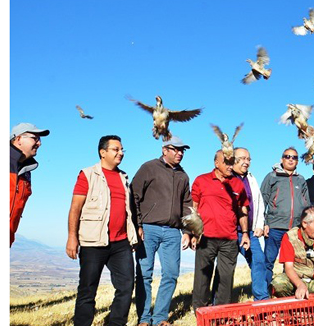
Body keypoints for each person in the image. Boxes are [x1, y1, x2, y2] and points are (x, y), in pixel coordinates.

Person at [66, 135, 138, 326]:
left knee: (126, 287)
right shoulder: (87, 174)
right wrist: (72, 237)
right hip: (93, 243)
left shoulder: (124, 177)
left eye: (122, 150)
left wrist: (134, 232)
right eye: (116, 149)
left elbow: (129, 210)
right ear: (103, 152)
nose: (120, 153)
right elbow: (75, 208)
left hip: (121, 243)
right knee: (87, 290)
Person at [131, 136, 193, 326]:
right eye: (176, 149)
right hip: (148, 229)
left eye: (182, 150)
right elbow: (134, 196)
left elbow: (187, 205)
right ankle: (143, 319)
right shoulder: (148, 167)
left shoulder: (183, 175)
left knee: (171, 274)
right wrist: (138, 225)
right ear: (165, 149)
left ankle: (160, 318)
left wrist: (187, 231)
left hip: (173, 232)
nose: (180, 153)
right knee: (144, 274)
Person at [190, 150, 250, 309]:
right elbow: (193, 208)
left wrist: (245, 233)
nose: (231, 166)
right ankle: (201, 311)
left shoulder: (238, 184)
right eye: (227, 162)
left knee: (225, 278)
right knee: (203, 278)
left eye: (232, 162)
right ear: (216, 163)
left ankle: (221, 312)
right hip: (206, 237)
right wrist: (193, 233)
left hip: (229, 239)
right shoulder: (201, 180)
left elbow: (242, 210)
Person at [260, 147, 310, 288]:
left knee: (292, 263)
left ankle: (287, 292)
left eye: (294, 157)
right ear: (282, 159)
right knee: (268, 261)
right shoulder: (272, 177)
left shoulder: (300, 180)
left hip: (295, 229)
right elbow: (262, 200)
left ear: (297, 161)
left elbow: (307, 204)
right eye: (287, 156)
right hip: (275, 227)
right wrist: (263, 223)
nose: (290, 159)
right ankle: (264, 294)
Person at [230, 147, 269, 300]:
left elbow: (258, 201)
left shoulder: (251, 178)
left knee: (258, 260)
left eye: (248, 159)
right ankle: (218, 302)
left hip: (250, 231)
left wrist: (259, 224)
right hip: (230, 231)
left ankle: (262, 299)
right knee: (226, 268)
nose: (246, 162)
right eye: (242, 158)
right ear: (232, 159)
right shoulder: (227, 177)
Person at [10, 123, 50, 248]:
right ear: (18, 139)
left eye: (40, 139)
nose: (39, 143)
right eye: (35, 138)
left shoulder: (26, 172)